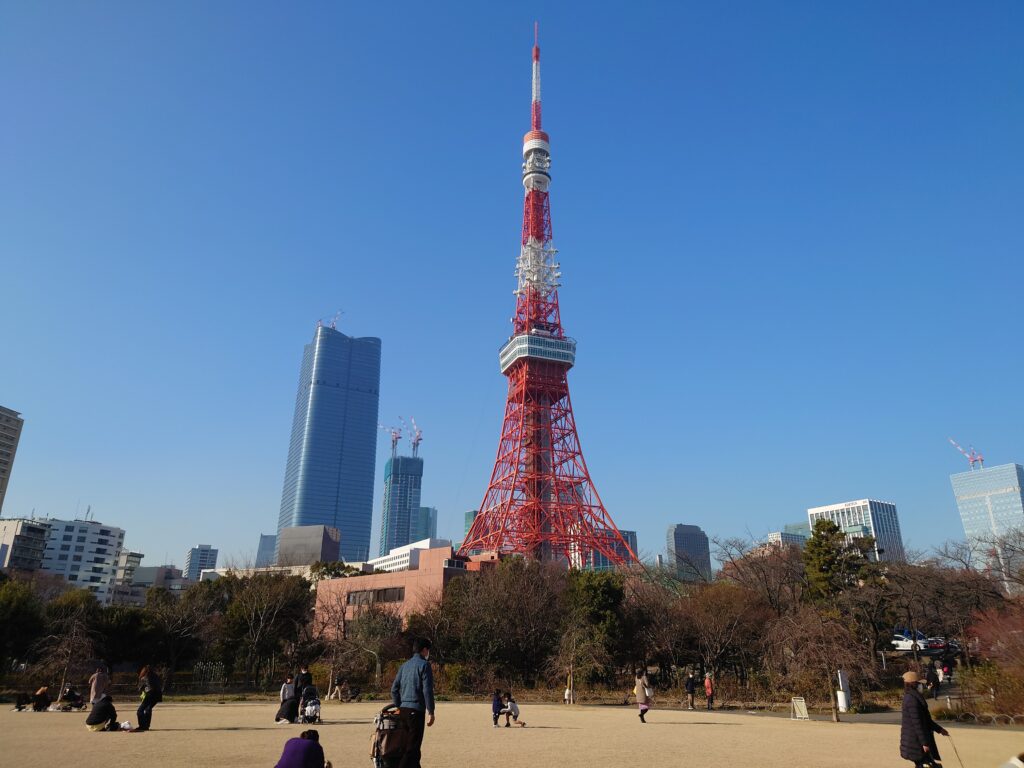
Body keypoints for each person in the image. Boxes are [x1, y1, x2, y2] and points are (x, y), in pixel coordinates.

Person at [389, 637, 435, 768]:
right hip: (416, 711)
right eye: (428, 650)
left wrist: (398, 705)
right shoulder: (425, 665)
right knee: (412, 749)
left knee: (407, 747)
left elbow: (394, 689)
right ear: (425, 650)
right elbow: (427, 690)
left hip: (403, 711)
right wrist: (431, 711)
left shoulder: (404, 666)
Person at [900, 670, 948, 767]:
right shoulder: (911, 699)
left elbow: (926, 720)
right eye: (919, 683)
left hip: (917, 741)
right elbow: (917, 724)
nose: (921, 686)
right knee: (926, 765)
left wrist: (939, 729)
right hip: (915, 742)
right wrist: (924, 743)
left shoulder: (915, 697)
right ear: (913, 684)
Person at [134, 665, 163, 732]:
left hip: (150, 694)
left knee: (140, 711)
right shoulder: (156, 676)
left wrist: (140, 682)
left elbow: (140, 688)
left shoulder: (144, 677)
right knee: (148, 709)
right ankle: (146, 725)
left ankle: (142, 726)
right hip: (158, 694)